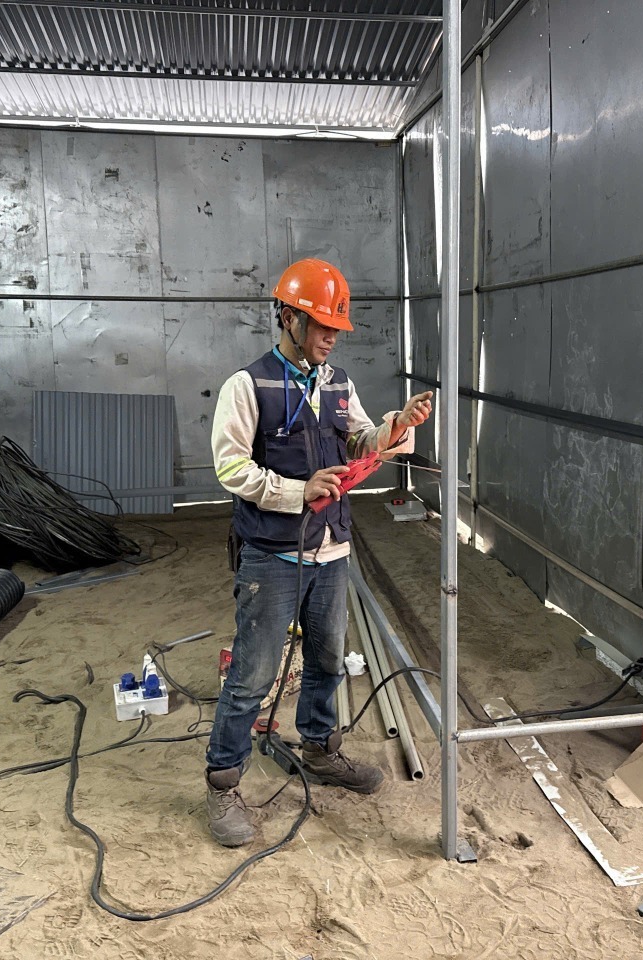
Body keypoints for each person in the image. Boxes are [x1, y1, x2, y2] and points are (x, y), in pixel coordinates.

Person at [206, 258, 433, 847]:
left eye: (337, 327)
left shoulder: (336, 383)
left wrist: (395, 427)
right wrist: (295, 492)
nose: (332, 336)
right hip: (272, 555)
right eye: (323, 325)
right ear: (289, 317)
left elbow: (360, 440)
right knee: (253, 675)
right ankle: (223, 781)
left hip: (331, 551)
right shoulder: (247, 386)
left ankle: (320, 749)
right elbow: (230, 468)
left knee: (328, 661)